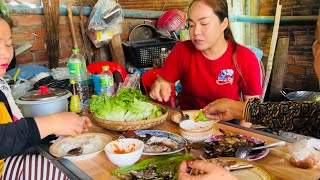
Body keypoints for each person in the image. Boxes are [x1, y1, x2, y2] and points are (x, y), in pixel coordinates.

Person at [0, 11, 92, 179]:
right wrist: (50, 123)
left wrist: (58, 130)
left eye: (8, 44)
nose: (5, 53)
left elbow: (17, 135)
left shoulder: (1, 86)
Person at [150, 0, 262, 113]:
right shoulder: (181, 50)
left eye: (204, 24)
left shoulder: (246, 58)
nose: (196, 32)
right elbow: (163, 81)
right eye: (191, 25)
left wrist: (238, 131)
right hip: (189, 122)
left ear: (224, 23)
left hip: (227, 126)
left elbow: (252, 109)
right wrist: (160, 84)